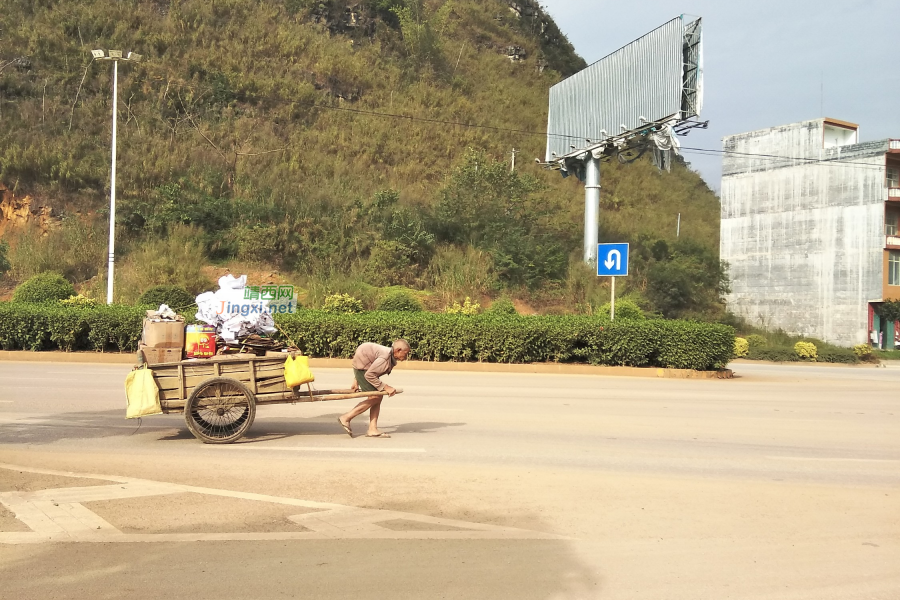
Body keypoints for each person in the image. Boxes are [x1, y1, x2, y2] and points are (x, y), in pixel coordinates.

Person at [337, 339, 410, 438]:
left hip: (363, 365)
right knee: (375, 397)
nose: (406, 357)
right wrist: (386, 387)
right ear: (397, 350)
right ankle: (346, 417)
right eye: (405, 353)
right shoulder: (385, 358)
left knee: (378, 397)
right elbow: (370, 374)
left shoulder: (388, 355)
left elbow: (370, 366)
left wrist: (356, 379)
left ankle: (372, 429)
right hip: (364, 369)